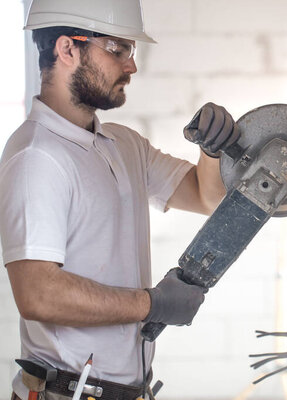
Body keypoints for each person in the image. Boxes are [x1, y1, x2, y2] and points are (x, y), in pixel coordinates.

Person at [0, 1, 241, 399]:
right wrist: (151, 304)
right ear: (67, 49)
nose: (131, 66)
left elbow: (205, 197)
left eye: (131, 51)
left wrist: (212, 151)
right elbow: (37, 294)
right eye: (117, 50)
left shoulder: (122, 144)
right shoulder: (36, 156)